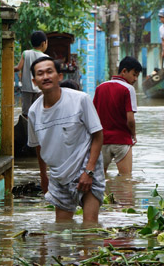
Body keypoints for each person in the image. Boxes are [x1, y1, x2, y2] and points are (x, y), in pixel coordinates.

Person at [27, 56, 105, 223]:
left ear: (59, 76)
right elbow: (38, 146)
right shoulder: (34, 112)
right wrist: (43, 176)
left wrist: (89, 171)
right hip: (58, 174)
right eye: (40, 74)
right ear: (34, 81)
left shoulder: (80, 100)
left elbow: (98, 135)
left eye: (50, 72)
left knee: (89, 228)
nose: (45, 77)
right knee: (61, 229)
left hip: (86, 166)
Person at [93, 56, 142, 175]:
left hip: (102, 140)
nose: (135, 79)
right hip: (122, 140)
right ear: (124, 71)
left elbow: (93, 116)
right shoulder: (128, 89)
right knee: (126, 180)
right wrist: (133, 135)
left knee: (99, 180)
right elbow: (130, 120)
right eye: (134, 74)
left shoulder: (100, 87)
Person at [14, 31, 49, 117]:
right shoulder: (46, 57)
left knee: (26, 113)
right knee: (38, 112)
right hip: (40, 89)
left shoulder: (26, 53)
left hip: (26, 88)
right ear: (43, 43)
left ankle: (26, 129)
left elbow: (18, 68)